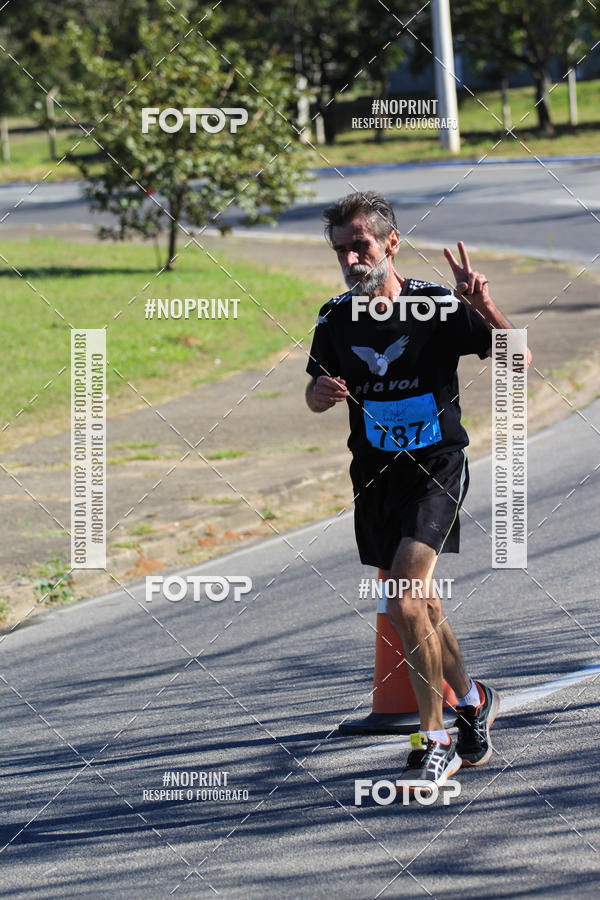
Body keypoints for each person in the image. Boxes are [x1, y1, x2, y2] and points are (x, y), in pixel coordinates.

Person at [305, 191, 531, 789]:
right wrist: (320, 395)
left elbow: (518, 360)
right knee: (423, 606)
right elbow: (313, 388)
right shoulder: (335, 319)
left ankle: (434, 740)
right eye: (341, 251)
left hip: (436, 468)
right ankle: (473, 702)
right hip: (376, 477)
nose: (352, 260)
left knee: (405, 598)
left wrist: (483, 305)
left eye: (361, 246)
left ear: (390, 244)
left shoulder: (433, 306)